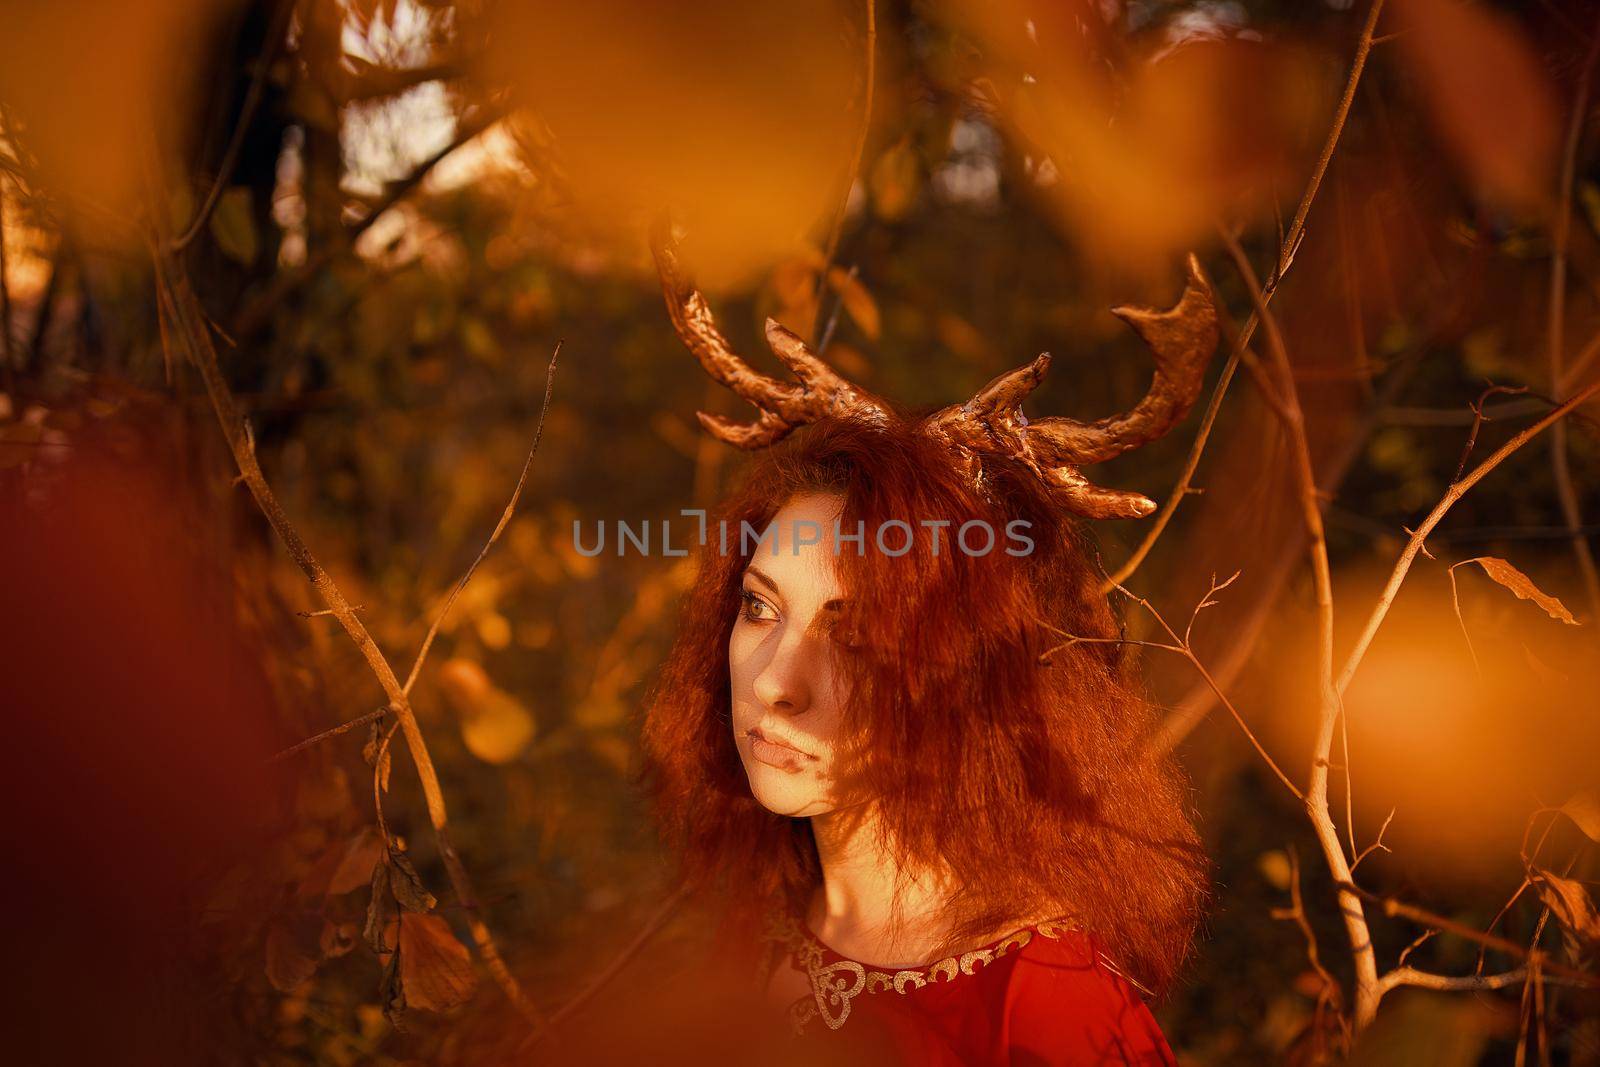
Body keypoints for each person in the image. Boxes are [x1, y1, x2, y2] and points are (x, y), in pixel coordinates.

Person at [638, 231, 1216, 1065]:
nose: (773, 685)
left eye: (854, 635)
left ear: (968, 676)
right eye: (761, 608)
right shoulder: (770, 915)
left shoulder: (1048, 1007)